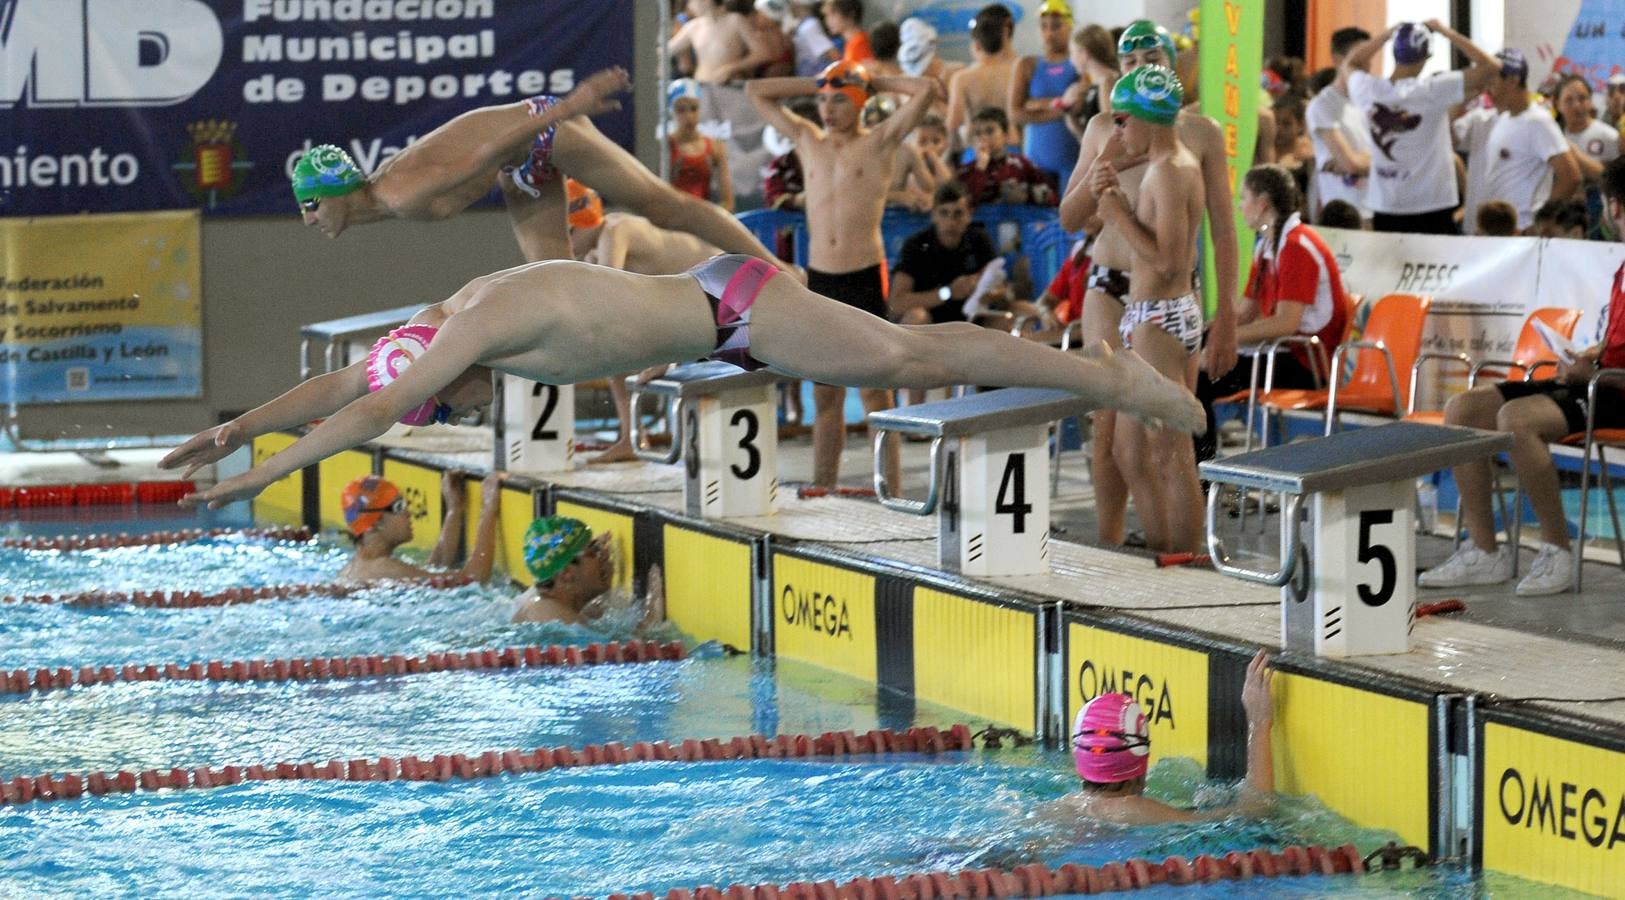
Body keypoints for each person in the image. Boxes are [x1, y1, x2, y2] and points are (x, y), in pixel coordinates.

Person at [163, 251, 1205, 510]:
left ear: (454, 378)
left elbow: (376, 404)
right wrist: (233, 429)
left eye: (455, 405)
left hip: (738, 311)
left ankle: (1107, 377)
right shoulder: (441, 323)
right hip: (724, 316)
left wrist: (262, 477)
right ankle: (1098, 374)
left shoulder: (472, 328)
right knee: (907, 360)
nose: (467, 412)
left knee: (910, 357)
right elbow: (349, 381)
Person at [289, 67, 784, 273]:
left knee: (664, 206)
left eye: (311, 204)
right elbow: (488, 161)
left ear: (336, 190)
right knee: (556, 280)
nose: (309, 219)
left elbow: (480, 153)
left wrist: (567, 108)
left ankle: (779, 271)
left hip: (542, 131)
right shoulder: (387, 196)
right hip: (520, 166)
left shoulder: (400, 192)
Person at [1059, 20, 1240, 548]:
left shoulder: (1199, 133)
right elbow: (1070, 218)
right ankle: (1116, 541)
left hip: (1166, 290)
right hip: (1109, 286)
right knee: (1112, 432)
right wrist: (1106, 160)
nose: (1143, 68)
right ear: (1119, 69)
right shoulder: (1104, 128)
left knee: (1163, 432)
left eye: (1152, 59)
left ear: (1170, 65)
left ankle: (1179, 546)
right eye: (1132, 62)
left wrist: (1225, 317)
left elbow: (1224, 232)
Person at [1418, 155, 1625, 596]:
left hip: (1615, 389)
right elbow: (1615, 343)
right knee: (1463, 408)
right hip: (1597, 376)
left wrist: (1596, 368)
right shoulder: (1622, 267)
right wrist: (1586, 355)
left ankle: (1557, 552)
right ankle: (1484, 551)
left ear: (1614, 208)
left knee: (1517, 419)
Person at [745, 61, 938, 488]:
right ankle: (823, 484)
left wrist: (868, 81)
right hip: (821, 280)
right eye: (821, 100)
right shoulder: (807, 139)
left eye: (838, 100)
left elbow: (926, 89)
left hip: (864, 276)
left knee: (875, 391)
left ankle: (891, 487)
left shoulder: (880, 142)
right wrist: (824, 80)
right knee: (825, 393)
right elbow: (756, 89)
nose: (826, 109)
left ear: (859, 103)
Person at [1092, 65, 1208, 555]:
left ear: (1148, 116)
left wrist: (1118, 215)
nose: (1117, 132)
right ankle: (1167, 550)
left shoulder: (1168, 171)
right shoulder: (1173, 166)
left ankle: (1188, 561)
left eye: (1122, 120)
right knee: (1128, 451)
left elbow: (1168, 261)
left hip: (1161, 318)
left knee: (1170, 453)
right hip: (1154, 317)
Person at [565, 180, 721, 463]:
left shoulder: (615, 231)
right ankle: (630, 437)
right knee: (612, 351)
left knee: (613, 343)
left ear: (583, 222)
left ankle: (632, 434)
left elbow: (608, 294)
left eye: (568, 234)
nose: (567, 245)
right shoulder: (595, 248)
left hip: (720, 283)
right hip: (691, 297)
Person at [1039, 650, 1274, 825]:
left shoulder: (1061, 808)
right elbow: (1255, 809)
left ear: (1079, 756)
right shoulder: (1140, 813)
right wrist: (1259, 722)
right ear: (1141, 756)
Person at [1204, 165, 1349, 409]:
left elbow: (1285, 324)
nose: (1240, 206)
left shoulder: (1297, 246)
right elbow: (1244, 313)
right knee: (1195, 351)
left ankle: (1196, 448)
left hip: (1306, 363)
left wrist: (1227, 339)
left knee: (1205, 375)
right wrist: (1206, 331)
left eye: (1244, 198)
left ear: (1262, 203)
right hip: (1283, 352)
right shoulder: (1266, 246)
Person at [1342, 20, 1498, 235]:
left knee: (1392, 268)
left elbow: (1351, 64)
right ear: (1425, 58)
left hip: (1386, 206)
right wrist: (1446, 31)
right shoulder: (1433, 90)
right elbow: (1491, 67)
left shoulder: (1369, 90)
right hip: (1432, 204)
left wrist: (1386, 34)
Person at [1459, 49, 1578, 234]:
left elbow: (1571, 176)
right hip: (1497, 231)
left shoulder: (1538, 121)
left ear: (1513, 80)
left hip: (1519, 232)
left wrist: (1538, 224)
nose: (1487, 91)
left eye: (1491, 83)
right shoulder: (1504, 118)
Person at [336, 471, 502, 585]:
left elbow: (434, 571)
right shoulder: (385, 568)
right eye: (399, 507)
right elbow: (475, 579)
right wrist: (488, 510)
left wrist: (454, 510)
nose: (408, 513)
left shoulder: (356, 567)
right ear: (373, 524)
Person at [510, 516, 666, 629]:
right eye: (594, 551)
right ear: (566, 573)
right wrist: (650, 618)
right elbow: (616, 655)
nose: (603, 556)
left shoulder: (543, 604)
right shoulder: (548, 613)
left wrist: (604, 587)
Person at [889, 180, 1004, 326]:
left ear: (969, 216)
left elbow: (1000, 287)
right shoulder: (916, 245)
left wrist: (987, 292)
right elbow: (896, 304)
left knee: (1016, 314)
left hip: (972, 321)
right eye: (944, 213)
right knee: (916, 317)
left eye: (958, 214)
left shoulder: (979, 240)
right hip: (932, 324)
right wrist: (948, 293)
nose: (951, 222)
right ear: (933, 215)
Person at [1009, 0, 1081, 193]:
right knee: (1039, 220)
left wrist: (1033, 104)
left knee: (1071, 221)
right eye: (1044, 26)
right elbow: (1015, 114)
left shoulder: (1079, 62)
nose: (1049, 33)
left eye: (1056, 26)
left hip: (1073, 157)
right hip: (1036, 159)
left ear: (1070, 26)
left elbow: (1080, 104)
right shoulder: (1027, 65)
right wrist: (1060, 108)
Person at [1305, 27, 1372, 222]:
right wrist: (1380, 163)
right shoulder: (1323, 105)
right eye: (1358, 58)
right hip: (1345, 218)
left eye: (1368, 57)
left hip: (1379, 211)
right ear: (1337, 59)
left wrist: (1364, 161)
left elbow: (1395, 157)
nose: (1366, 65)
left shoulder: (1369, 102)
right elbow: (1350, 163)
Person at [946, 5, 1019, 152]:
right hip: (1013, 148)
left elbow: (952, 125)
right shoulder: (1020, 71)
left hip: (977, 149)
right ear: (1007, 32)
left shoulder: (962, 78)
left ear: (976, 43)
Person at [956, 107, 1056, 206]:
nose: (983, 137)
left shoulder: (1023, 165)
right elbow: (965, 204)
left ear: (1006, 135)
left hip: (1019, 219)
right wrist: (980, 167)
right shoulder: (967, 170)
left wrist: (1028, 195)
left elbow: (1053, 198)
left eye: (990, 131)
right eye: (978, 133)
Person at [668, 0, 778, 83]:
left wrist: (732, 68)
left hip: (729, 87)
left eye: (692, 1)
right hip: (702, 87)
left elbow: (764, 53)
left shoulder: (735, 21)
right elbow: (667, 49)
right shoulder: (693, 26)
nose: (689, 6)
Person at [668, 86, 735, 209]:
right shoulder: (664, 147)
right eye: (681, 110)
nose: (689, 116)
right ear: (671, 112)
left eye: (694, 109)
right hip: (669, 218)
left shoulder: (715, 146)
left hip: (701, 218)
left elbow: (728, 201)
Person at [1058, 24, 1119, 141]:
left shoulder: (1107, 82)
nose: (1071, 61)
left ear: (1084, 54)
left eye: (1072, 53)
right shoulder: (1095, 85)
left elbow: (1111, 134)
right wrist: (1069, 114)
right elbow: (1088, 140)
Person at [789, 0, 839, 77]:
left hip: (814, 81)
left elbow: (834, 55)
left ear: (798, 5)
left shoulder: (809, 26)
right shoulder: (804, 24)